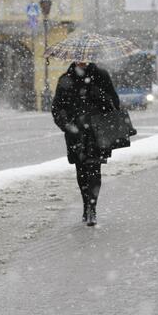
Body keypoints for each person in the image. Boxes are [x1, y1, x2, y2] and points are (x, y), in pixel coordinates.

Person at [52, 61, 120, 226]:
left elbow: (114, 103)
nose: (82, 60)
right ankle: (85, 204)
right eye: (78, 58)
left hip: (97, 132)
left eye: (85, 57)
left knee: (94, 168)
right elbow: (57, 107)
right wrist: (67, 125)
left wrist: (98, 95)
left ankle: (92, 208)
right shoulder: (66, 79)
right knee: (81, 170)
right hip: (75, 133)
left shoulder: (101, 76)